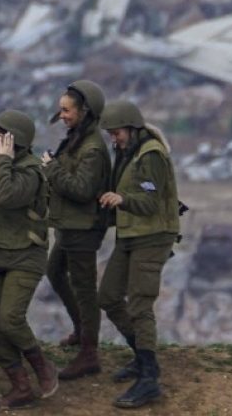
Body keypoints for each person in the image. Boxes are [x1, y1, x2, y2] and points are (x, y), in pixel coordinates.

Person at [98, 100, 181, 409]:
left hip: (152, 236)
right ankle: (141, 354)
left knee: (140, 304)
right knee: (107, 296)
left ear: (131, 129)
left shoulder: (151, 156)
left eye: (116, 132)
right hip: (130, 235)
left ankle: (149, 378)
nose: (113, 138)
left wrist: (122, 199)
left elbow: (149, 203)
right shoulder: (129, 154)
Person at [0, 110, 57, 409]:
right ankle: (20, 385)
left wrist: (2, 159)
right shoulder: (1, 167)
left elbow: (3, 197)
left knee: (10, 319)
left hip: (25, 256)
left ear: (14, 142)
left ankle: (42, 367)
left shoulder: (29, 172)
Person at [41, 78, 111, 380]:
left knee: (84, 290)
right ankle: (81, 331)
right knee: (55, 272)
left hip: (83, 228)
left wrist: (51, 167)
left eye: (68, 111)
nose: (63, 116)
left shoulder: (92, 148)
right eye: (61, 110)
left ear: (85, 111)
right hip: (69, 225)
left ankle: (89, 354)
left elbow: (82, 189)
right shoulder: (76, 138)